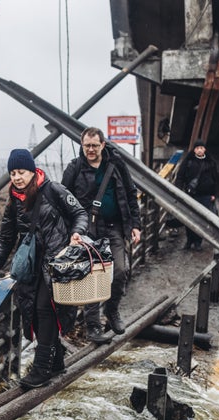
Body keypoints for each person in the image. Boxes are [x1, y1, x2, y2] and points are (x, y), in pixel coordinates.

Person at [0, 149, 88, 389]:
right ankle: (56, 361)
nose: (17, 177)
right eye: (12, 173)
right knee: (32, 311)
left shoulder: (54, 190)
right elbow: (5, 240)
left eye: (21, 172)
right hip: (32, 267)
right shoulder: (13, 201)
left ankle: (41, 368)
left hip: (56, 262)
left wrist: (78, 233)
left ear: (32, 171)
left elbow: (80, 213)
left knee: (46, 308)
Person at [61, 127, 142, 344]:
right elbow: (62, 199)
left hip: (115, 226)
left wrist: (136, 224)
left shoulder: (115, 165)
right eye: (86, 145)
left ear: (102, 145)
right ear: (82, 144)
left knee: (120, 270)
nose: (90, 150)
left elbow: (130, 193)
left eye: (94, 145)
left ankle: (112, 310)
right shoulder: (75, 168)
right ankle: (93, 326)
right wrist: (70, 231)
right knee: (93, 277)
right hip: (88, 230)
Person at [175, 139, 218, 251]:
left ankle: (198, 242)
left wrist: (213, 194)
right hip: (191, 195)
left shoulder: (210, 162)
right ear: (194, 150)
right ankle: (190, 240)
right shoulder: (188, 161)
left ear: (204, 149)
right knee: (189, 218)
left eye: (201, 148)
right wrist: (179, 191)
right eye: (197, 148)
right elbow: (180, 177)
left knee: (202, 220)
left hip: (206, 195)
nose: (199, 150)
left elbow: (215, 179)